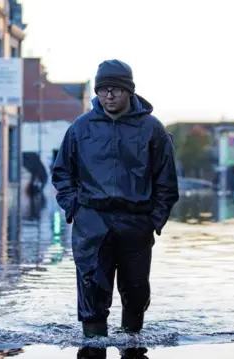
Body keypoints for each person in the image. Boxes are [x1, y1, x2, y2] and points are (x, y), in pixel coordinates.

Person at [51, 59, 180, 338]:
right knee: (92, 291)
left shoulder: (152, 129)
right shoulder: (80, 129)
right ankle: (93, 341)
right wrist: (75, 208)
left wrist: (154, 220)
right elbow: (62, 173)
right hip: (92, 223)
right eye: (103, 89)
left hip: (136, 222)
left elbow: (166, 181)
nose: (109, 95)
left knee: (135, 292)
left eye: (116, 89)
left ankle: (133, 341)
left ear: (129, 91)